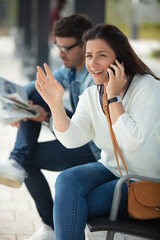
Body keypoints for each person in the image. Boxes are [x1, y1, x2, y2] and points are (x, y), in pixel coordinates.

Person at [36, 24, 160, 240]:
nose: (92, 63)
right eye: (89, 55)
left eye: (101, 55)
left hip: (145, 180)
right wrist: (55, 104)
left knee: (71, 206)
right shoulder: (93, 93)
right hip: (112, 169)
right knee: (66, 180)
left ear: (119, 58)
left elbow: (133, 142)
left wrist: (114, 98)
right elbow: (72, 140)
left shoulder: (147, 87)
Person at [0, 14, 101, 240]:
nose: (60, 54)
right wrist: (17, 106)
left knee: (28, 159)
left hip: (93, 147)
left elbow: (81, 132)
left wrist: (44, 118)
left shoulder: (92, 78)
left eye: (66, 48)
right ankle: (17, 160)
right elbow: (32, 90)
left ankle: (50, 223)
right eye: (57, 46)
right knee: (35, 93)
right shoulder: (72, 69)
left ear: (86, 44)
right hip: (79, 134)